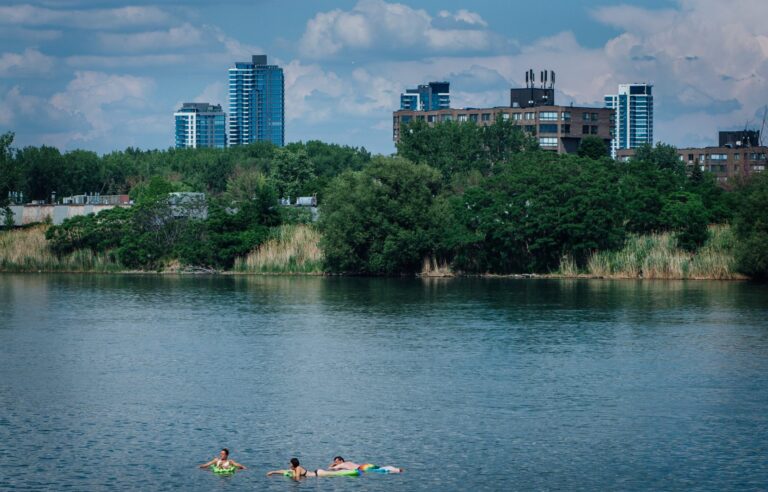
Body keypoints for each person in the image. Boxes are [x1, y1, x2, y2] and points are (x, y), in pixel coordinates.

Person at [328, 456, 403, 474]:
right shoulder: (348, 462)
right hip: (365, 465)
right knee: (380, 468)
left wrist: (333, 465)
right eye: (335, 462)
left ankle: (396, 470)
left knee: (380, 471)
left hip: (361, 468)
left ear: (341, 461)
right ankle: (395, 468)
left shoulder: (341, 465)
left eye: (337, 461)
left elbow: (329, 469)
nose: (336, 463)